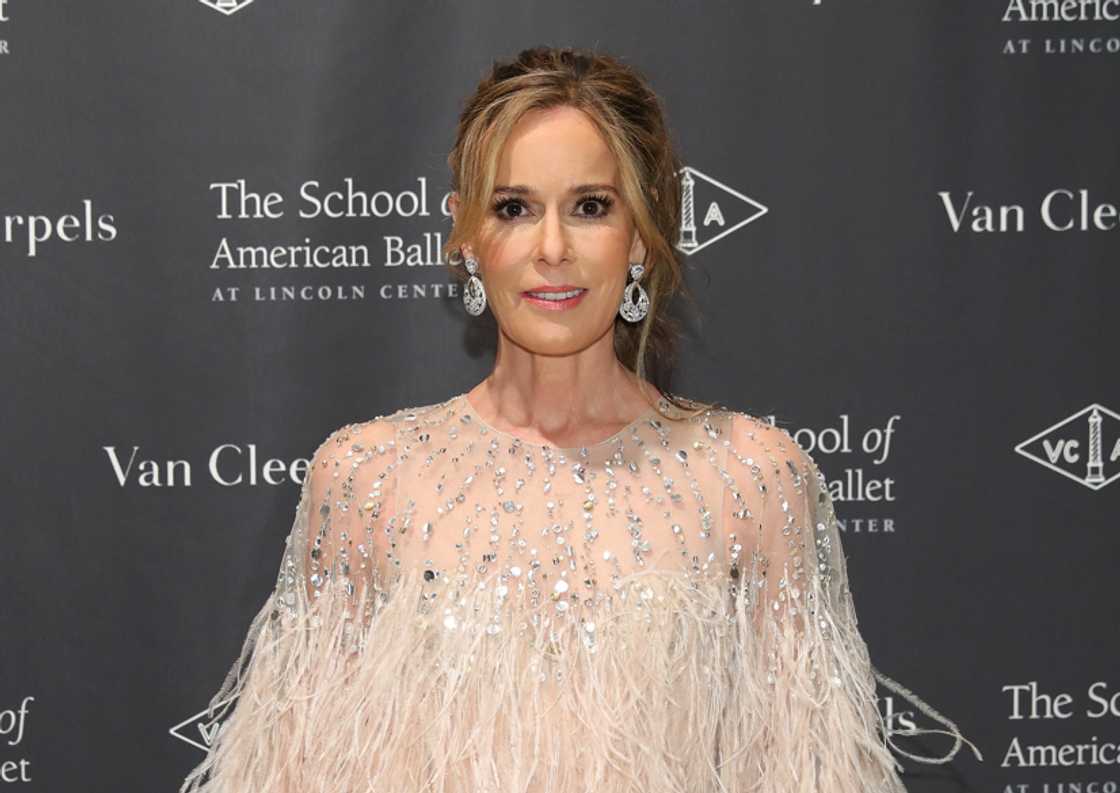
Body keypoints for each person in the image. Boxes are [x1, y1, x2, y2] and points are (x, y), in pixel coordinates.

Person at [180, 46, 982, 793]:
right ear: (466, 233)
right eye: (515, 207)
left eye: (591, 206)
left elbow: (806, 772)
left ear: (639, 234)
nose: (553, 247)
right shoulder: (365, 478)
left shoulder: (754, 479)